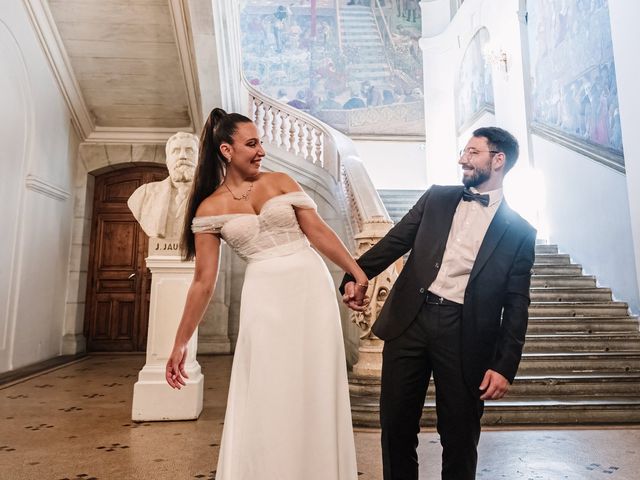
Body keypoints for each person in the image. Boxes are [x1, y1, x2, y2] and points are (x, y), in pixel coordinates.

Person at [165, 108, 366, 479]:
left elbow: (318, 231)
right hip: (265, 301)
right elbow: (203, 282)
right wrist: (180, 342)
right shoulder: (209, 208)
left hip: (310, 289)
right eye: (252, 144)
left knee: (315, 384)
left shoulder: (281, 181)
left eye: (261, 143)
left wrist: (357, 271)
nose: (261, 151)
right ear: (226, 150)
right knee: (269, 388)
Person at [342, 127, 536, 480]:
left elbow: (517, 303)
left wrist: (505, 365)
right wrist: (355, 275)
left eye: (472, 152)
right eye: (464, 151)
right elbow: (393, 243)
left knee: (460, 435)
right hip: (409, 321)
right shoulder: (437, 198)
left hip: (465, 334)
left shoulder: (520, 232)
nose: (463, 158)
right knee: (396, 426)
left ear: (498, 159)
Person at [127, 132, 198, 239]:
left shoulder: (212, 195)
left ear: (199, 159)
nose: (183, 156)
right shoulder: (144, 195)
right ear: (167, 160)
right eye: (176, 151)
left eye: (189, 151)